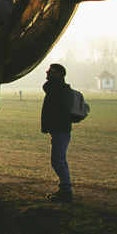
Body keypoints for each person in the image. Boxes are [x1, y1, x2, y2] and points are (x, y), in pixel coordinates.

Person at [41, 63, 74, 204]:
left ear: (59, 73)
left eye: (51, 70)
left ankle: (66, 191)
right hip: (57, 128)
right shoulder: (55, 88)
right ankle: (65, 189)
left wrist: (51, 118)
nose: (47, 72)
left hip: (60, 128)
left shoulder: (61, 88)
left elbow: (65, 108)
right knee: (59, 159)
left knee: (58, 159)